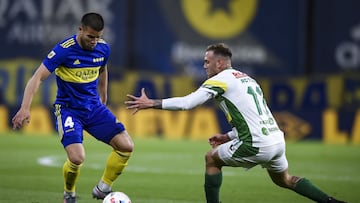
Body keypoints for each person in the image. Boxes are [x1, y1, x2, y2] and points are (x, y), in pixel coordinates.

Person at [125, 43, 346, 203]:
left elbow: (187, 103)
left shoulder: (219, 80)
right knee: (285, 180)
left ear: (220, 63)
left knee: (211, 159)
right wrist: (228, 136)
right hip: (276, 140)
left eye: (207, 61)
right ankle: (330, 201)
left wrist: (151, 102)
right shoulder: (246, 78)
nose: (204, 66)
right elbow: (254, 116)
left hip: (257, 143)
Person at [12, 12, 134, 203]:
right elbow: (37, 78)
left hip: (93, 108)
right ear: (80, 30)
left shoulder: (103, 49)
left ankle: (103, 189)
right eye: (90, 37)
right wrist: (25, 107)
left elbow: (102, 68)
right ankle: (69, 193)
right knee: (77, 158)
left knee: (126, 146)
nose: (94, 41)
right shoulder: (63, 50)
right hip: (69, 110)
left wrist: (104, 93)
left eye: (98, 37)